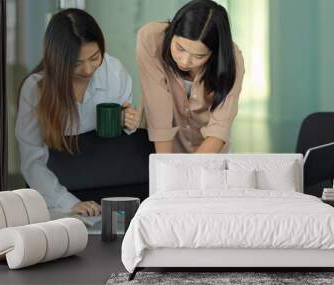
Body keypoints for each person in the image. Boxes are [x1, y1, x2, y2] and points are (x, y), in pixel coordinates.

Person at [16, 8, 141, 216]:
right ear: (58, 59)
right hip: (56, 191)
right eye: (77, 63)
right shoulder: (36, 89)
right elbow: (32, 161)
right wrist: (67, 202)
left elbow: (124, 122)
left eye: (95, 57)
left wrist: (129, 120)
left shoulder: (115, 71)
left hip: (113, 183)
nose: (89, 69)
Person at [137, 0, 244, 153]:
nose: (185, 61)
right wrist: (166, 169)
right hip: (159, 148)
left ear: (214, 53)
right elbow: (158, 111)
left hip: (208, 153)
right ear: (173, 30)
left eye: (199, 56)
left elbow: (219, 128)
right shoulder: (151, 39)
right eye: (180, 48)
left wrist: (190, 172)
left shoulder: (231, 59)